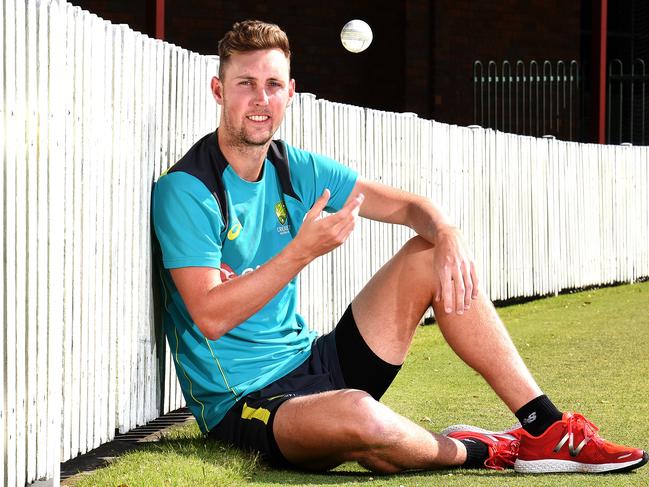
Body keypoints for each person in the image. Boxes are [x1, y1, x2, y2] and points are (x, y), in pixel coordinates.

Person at [151, 20, 647, 474]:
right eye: (246, 84)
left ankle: (545, 428)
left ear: (291, 93)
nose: (261, 99)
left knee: (431, 254)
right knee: (362, 418)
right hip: (249, 402)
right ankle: (486, 448)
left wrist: (447, 233)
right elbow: (210, 316)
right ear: (219, 91)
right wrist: (301, 251)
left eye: (273, 85)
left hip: (318, 362)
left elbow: (411, 208)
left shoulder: (292, 166)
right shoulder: (189, 189)